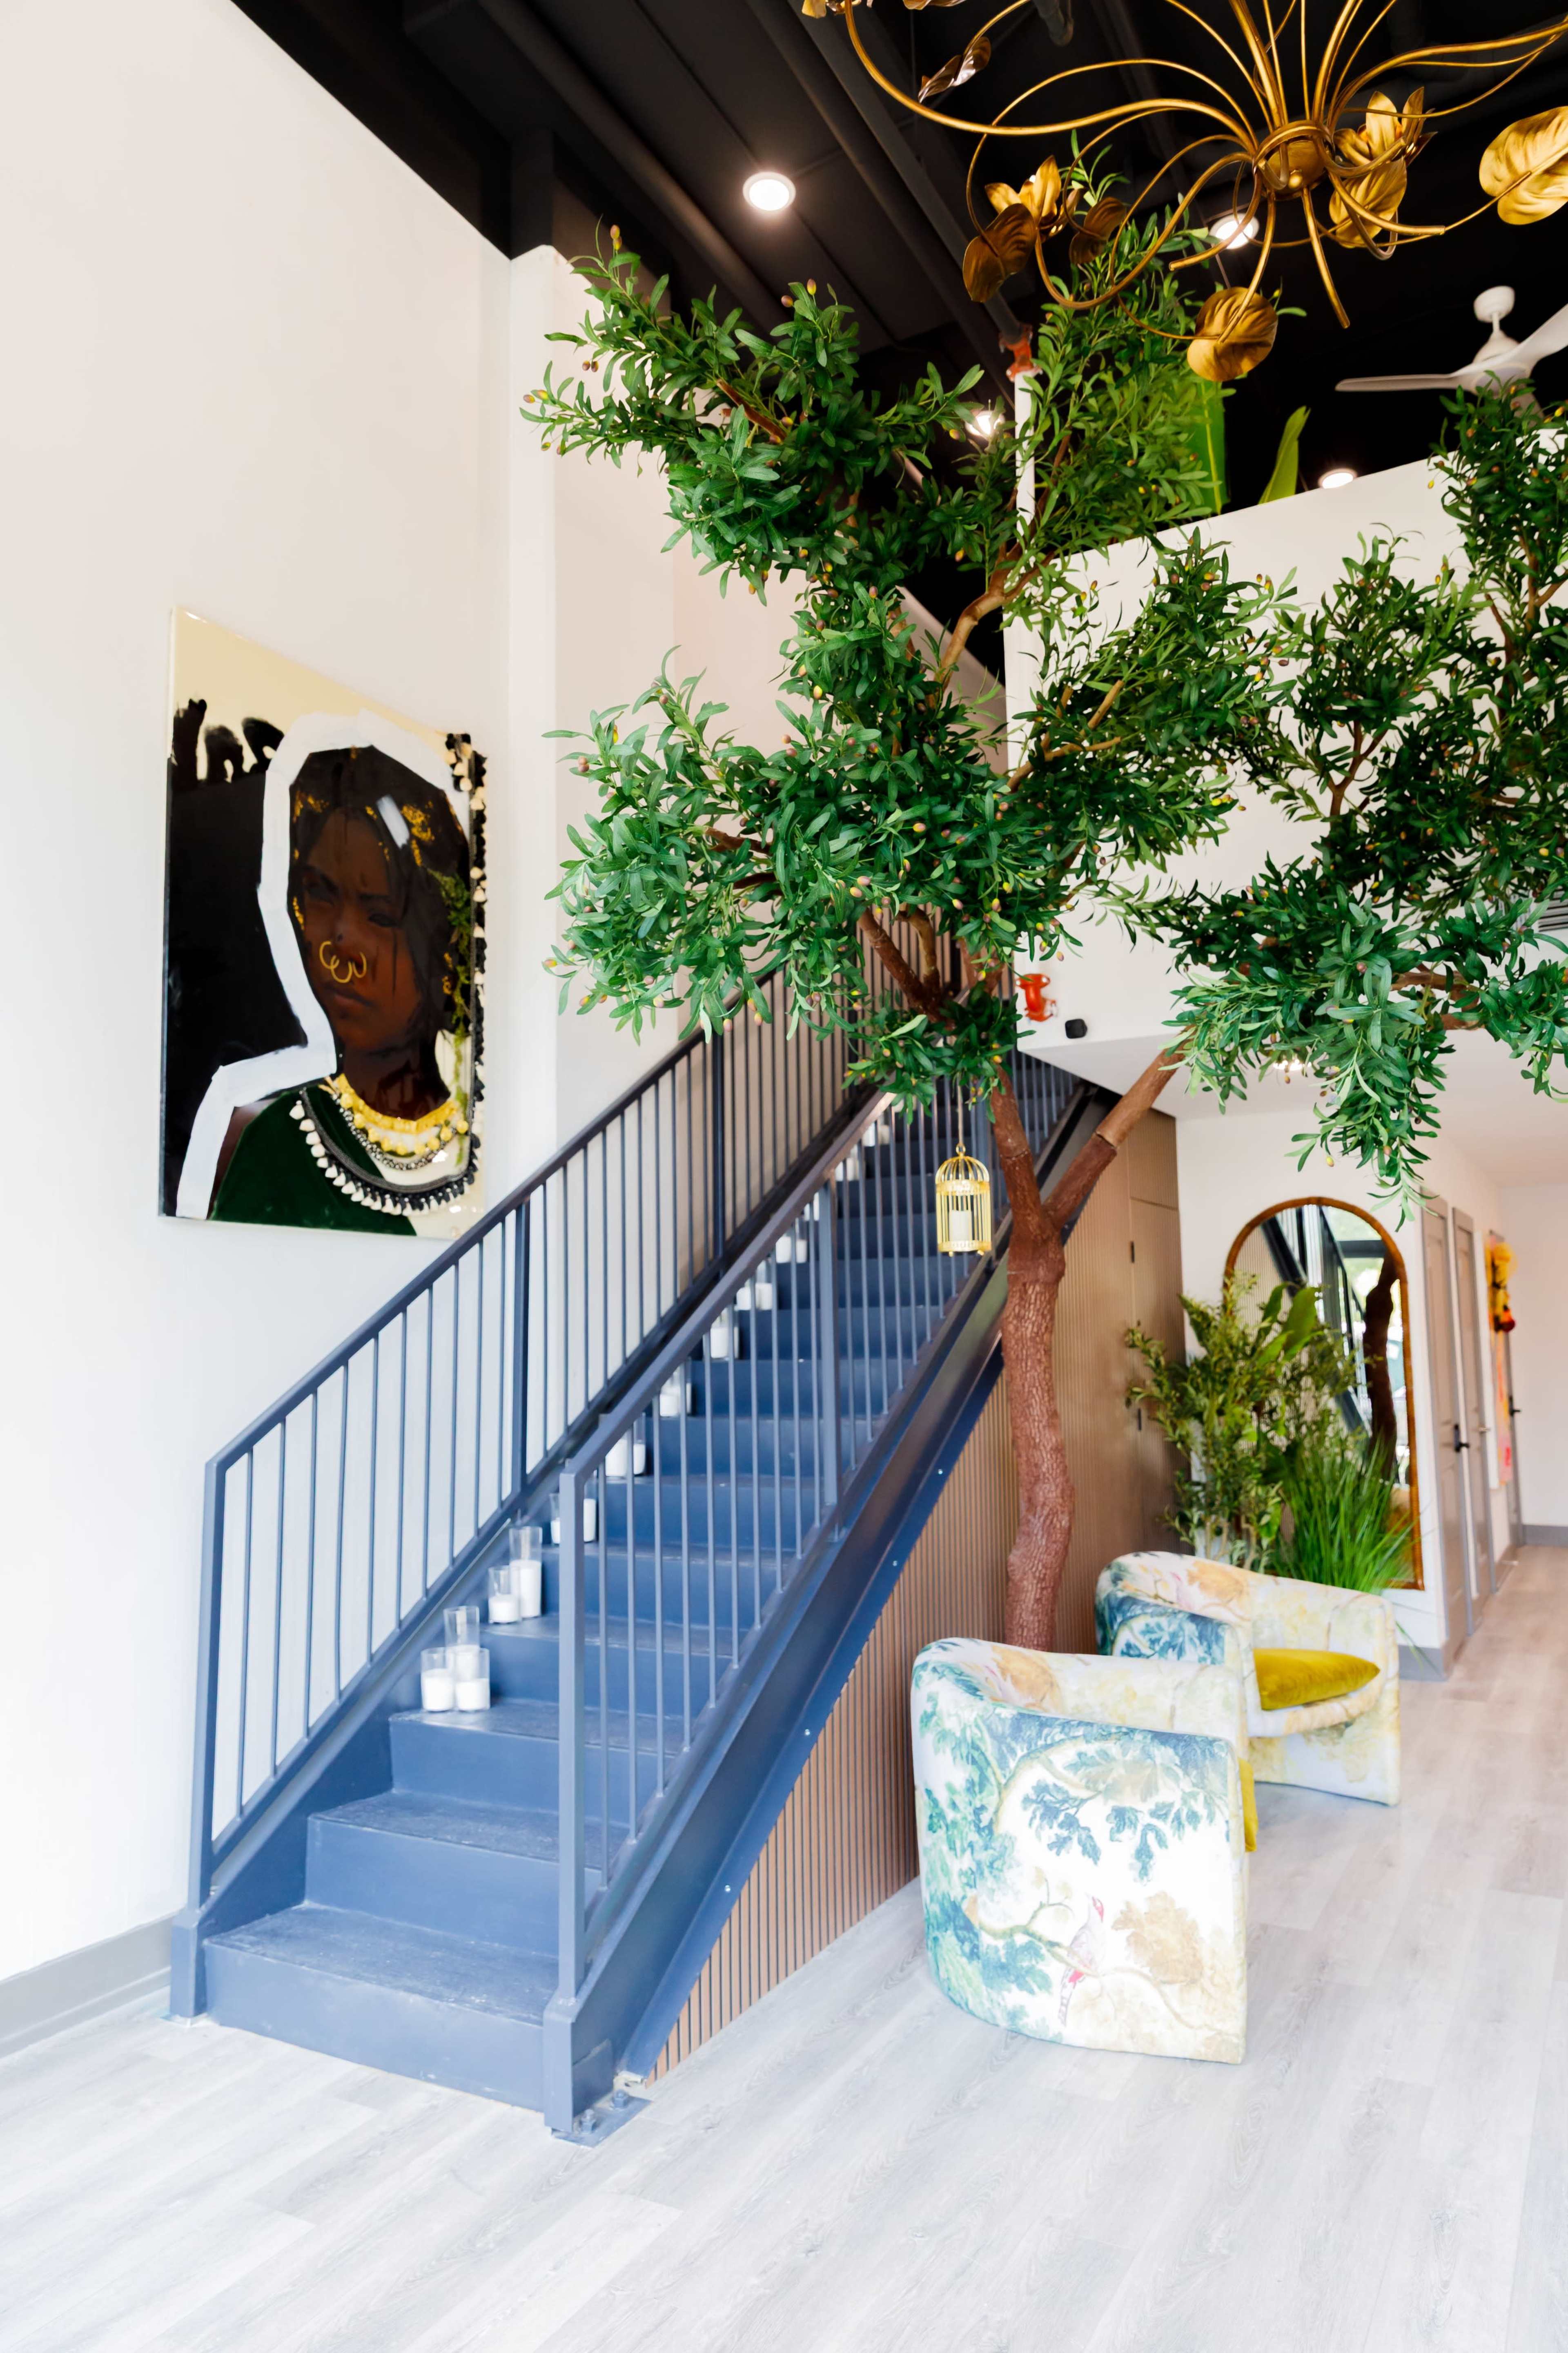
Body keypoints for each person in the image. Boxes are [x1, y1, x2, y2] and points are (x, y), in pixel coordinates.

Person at [212, 743, 476, 1232]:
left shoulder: (500, 1130)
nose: (340, 947)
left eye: (379, 915)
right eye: (319, 895)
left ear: (444, 950)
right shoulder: (277, 1148)